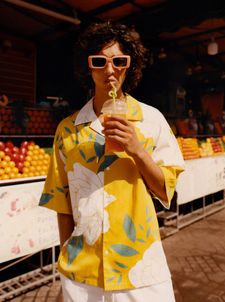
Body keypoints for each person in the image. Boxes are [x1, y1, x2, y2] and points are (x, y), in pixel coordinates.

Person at [39, 21, 185, 302]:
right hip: (83, 274)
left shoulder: (151, 120)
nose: (109, 70)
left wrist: (138, 150)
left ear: (129, 65)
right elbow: (62, 201)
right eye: (99, 61)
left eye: (119, 60)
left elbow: (166, 189)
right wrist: (66, 253)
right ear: (88, 66)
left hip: (140, 269)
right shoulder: (68, 130)